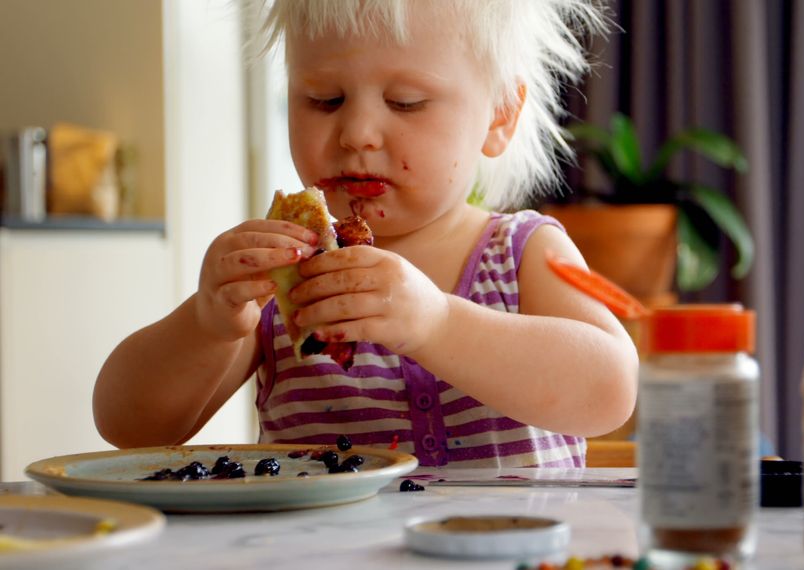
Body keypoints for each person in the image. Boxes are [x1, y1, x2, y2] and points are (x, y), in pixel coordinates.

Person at [93, 0, 638, 467]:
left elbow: (610, 392)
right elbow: (129, 428)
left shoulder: (521, 251)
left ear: (499, 116)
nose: (356, 134)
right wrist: (208, 324)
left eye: (406, 102)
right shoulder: (282, 276)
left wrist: (438, 323)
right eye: (324, 99)